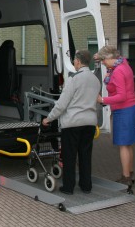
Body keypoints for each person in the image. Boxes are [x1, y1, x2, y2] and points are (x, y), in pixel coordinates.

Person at [42, 50, 100, 195]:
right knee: (85, 155)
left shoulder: (73, 79)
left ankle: (68, 187)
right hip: (90, 123)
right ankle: (86, 186)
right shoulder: (95, 80)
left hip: (73, 123)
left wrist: (49, 118)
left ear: (79, 62)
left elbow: (61, 104)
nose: (74, 62)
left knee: (69, 156)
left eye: (74, 60)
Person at [95, 46, 135, 188]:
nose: (102, 63)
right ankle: (130, 173)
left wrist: (103, 100)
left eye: (103, 60)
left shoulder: (118, 71)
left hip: (124, 110)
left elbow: (121, 96)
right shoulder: (123, 64)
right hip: (130, 108)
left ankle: (126, 177)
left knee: (123, 145)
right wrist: (99, 56)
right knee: (128, 144)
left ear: (109, 57)